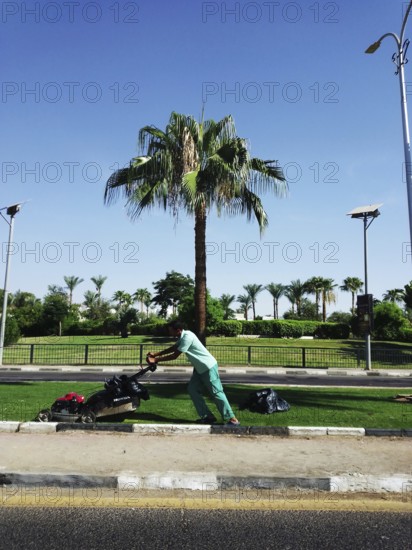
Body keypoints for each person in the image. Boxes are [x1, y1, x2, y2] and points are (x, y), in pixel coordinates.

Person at [147, 320, 240, 425]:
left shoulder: (187, 337)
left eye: (170, 330)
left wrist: (156, 360)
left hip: (208, 367)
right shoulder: (182, 336)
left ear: (177, 330)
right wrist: (155, 354)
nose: (169, 333)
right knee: (192, 389)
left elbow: (175, 355)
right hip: (199, 369)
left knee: (216, 392)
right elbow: (173, 348)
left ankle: (232, 418)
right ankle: (207, 416)